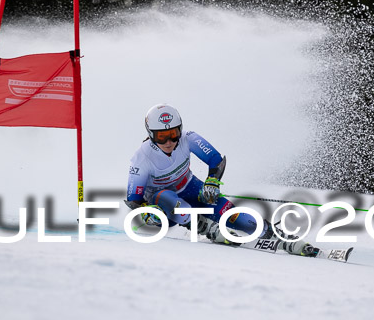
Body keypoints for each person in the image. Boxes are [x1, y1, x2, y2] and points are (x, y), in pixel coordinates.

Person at [125, 103, 319, 256]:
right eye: (161, 137)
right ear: (151, 135)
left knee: (238, 218)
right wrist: (146, 212)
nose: (169, 142)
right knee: (171, 198)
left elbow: (216, 161)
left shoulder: (189, 138)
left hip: (191, 189)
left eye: (173, 134)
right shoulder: (142, 158)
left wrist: (212, 182)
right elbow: (134, 200)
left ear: (180, 130)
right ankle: (205, 227)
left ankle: (277, 235)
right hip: (165, 207)